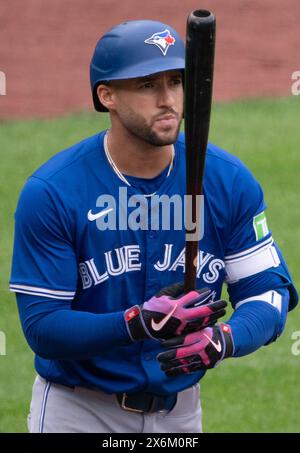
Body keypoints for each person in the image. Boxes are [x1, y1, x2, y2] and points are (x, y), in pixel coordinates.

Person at [10, 19, 298, 434]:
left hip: (180, 414)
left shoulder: (227, 182)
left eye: (176, 81)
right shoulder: (55, 192)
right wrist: (135, 323)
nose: (168, 99)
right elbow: (43, 326)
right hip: (78, 412)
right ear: (106, 95)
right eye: (147, 85)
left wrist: (225, 340)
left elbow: (269, 295)